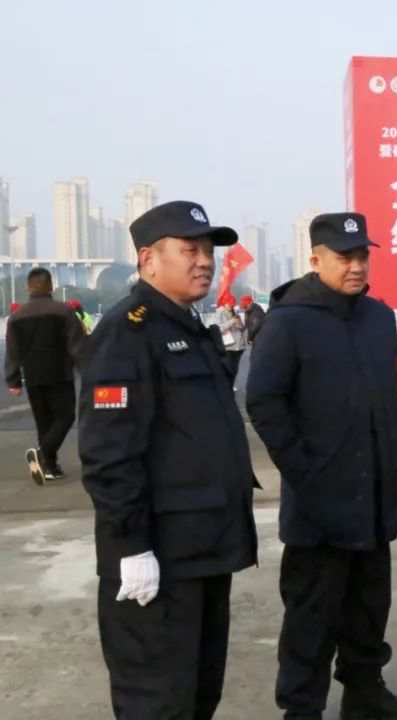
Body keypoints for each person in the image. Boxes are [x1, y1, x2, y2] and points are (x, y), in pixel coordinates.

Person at [79, 200, 258, 719]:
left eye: (208, 251)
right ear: (148, 259)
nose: (204, 261)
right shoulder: (127, 332)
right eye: (189, 250)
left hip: (204, 550)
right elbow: (109, 453)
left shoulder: (190, 328)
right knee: (156, 701)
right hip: (158, 555)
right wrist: (131, 546)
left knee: (198, 693)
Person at [246, 212, 397, 720]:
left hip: (374, 497)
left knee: (369, 606)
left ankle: (365, 694)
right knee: (312, 616)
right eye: (345, 257)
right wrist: (305, 471)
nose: (356, 266)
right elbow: (264, 401)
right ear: (315, 259)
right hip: (320, 505)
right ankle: (302, 709)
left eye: (363, 255)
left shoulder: (378, 317)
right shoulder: (288, 321)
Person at [5, 268, 85, 484]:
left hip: (33, 376)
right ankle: (43, 454)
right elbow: (77, 345)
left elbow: (12, 351)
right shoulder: (64, 312)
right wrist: (87, 370)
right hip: (60, 374)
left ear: (28, 287)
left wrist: (13, 380)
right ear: (51, 286)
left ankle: (50, 467)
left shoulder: (17, 317)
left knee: (44, 422)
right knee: (65, 417)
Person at [217, 303, 247, 379]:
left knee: (236, 369)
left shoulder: (235, 313)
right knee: (229, 369)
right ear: (224, 304)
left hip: (239, 346)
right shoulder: (220, 313)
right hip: (228, 346)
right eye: (229, 304)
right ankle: (229, 383)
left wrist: (239, 324)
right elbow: (219, 329)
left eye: (232, 304)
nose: (231, 305)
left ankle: (233, 382)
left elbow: (242, 328)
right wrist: (232, 321)